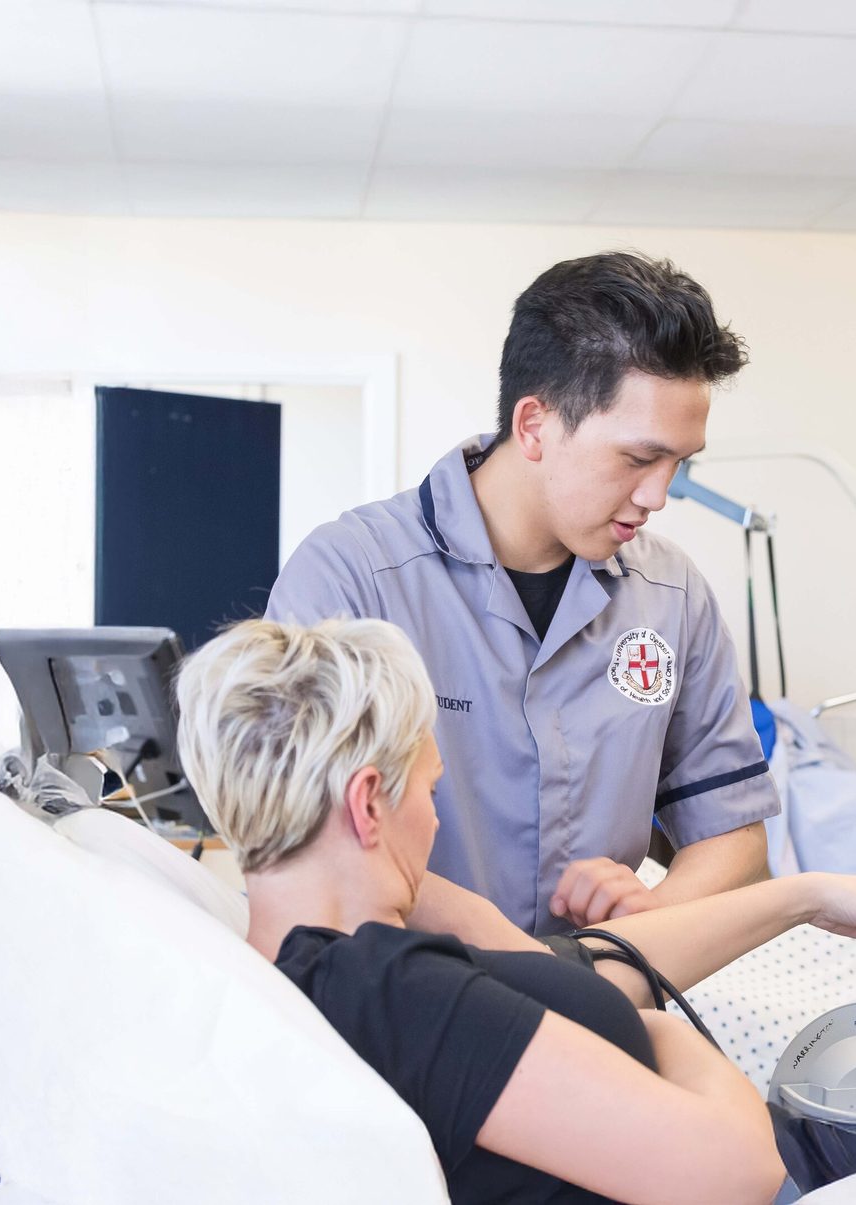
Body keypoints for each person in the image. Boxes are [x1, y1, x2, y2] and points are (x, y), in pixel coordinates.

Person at [174, 617, 856, 1205]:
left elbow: (572, 965)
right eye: (429, 789)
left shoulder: (315, 950)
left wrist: (804, 894)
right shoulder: (385, 990)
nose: (437, 819)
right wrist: (659, 1033)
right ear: (368, 804)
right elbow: (734, 1173)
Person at [267, 252, 773, 935]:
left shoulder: (673, 596)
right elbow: (299, 849)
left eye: (678, 465)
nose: (658, 495)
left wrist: (647, 920)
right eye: (638, 458)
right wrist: (530, 972)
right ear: (535, 425)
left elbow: (734, 838)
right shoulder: (351, 578)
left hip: (602, 993)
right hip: (402, 1004)